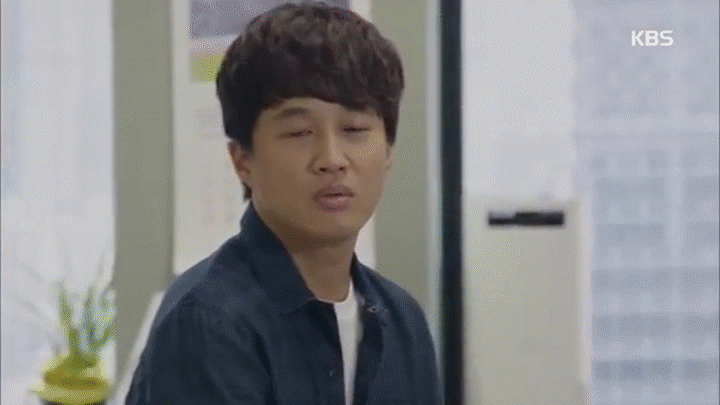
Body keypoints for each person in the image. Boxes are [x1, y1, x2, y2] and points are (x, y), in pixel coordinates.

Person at [125, 2, 441, 404]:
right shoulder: (210, 321)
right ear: (242, 160)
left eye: (355, 129)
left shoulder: (402, 322)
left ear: (389, 150)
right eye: (299, 132)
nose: (332, 159)